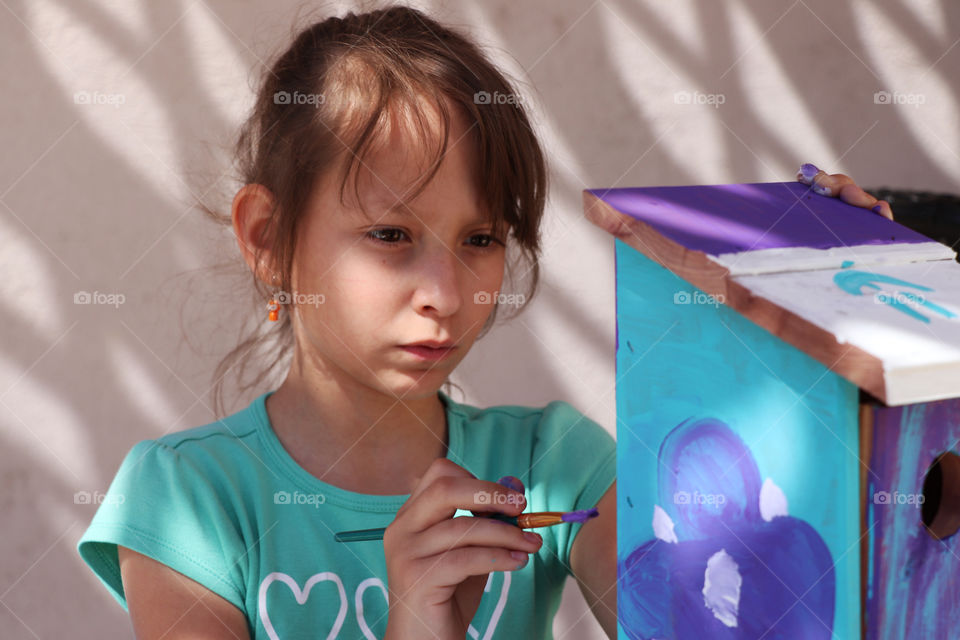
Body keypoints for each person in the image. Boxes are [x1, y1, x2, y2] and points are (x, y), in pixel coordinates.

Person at [76, 6, 892, 640]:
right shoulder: (189, 500)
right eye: (391, 235)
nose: (446, 290)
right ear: (267, 238)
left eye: (480, 240)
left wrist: (832, 293)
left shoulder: (552, 465)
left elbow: (726, 621)